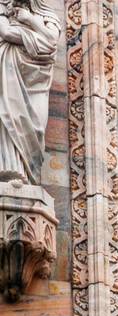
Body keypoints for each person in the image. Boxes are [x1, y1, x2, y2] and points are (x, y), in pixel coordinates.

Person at [0, 1, 61, 184]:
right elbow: (6, 32)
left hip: (37, 79)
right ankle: (10, 172)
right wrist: (37, 39)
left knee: (36, 127)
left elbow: (51, 42)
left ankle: (29, 175)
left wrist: (30, 20)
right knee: (8, 119)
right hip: (8, 70)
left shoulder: (47, 14)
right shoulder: (2, 9)